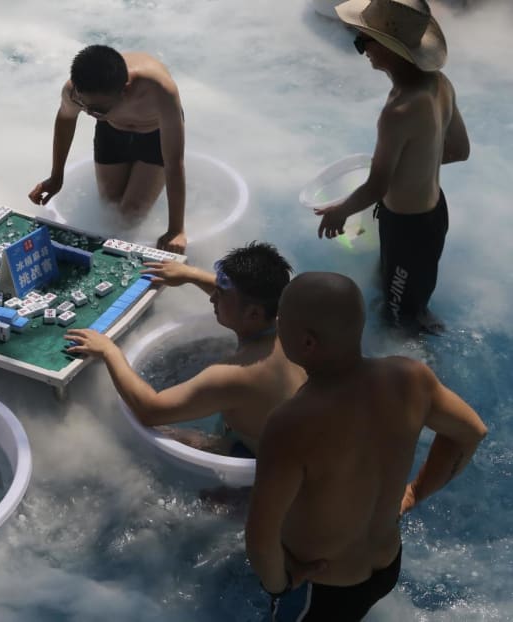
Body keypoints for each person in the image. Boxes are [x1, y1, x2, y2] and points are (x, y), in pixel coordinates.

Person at [246, 272, 487, 621]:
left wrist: (281, 586)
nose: (277, 323)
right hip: (387, 565)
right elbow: (471, 433)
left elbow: (260, 537)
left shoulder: (292, 423)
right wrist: (416, 492)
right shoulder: (410, 378)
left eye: (282, 318)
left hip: (323, 588)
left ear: (307, 342)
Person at [314, 0, 469, 333]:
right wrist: (415, 163)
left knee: (398, 321)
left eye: (362, 40)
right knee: (399, 292)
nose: (361, 49)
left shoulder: (398, 111)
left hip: (408, 229)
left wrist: (340, 211)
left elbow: (377, 186)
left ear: (387, 47)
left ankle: (417, 367)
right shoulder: (440, 83)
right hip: (432, 215)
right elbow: (459, 150)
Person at [65, 242, 306, 457]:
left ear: (253, 313)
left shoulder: (236, 374)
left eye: (220, 296)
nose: (213, 299)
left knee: (157, 433)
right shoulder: (290, 324)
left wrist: (110, 351)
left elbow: (150, 411)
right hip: (284, 437)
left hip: (255, 462)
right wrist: (191, 274)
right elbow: (241, 299)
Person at [28, 45, 187, 253]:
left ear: (126, 89)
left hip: (154, 135)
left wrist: (176, 230)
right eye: (86, 107)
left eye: (100, 110)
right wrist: (56, 176)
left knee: (130, 214)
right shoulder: (73, 92)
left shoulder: (159, 91)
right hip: (112, 133)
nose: (91, 113)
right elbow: (66, 120)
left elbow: (174, 161)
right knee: (109, 208)